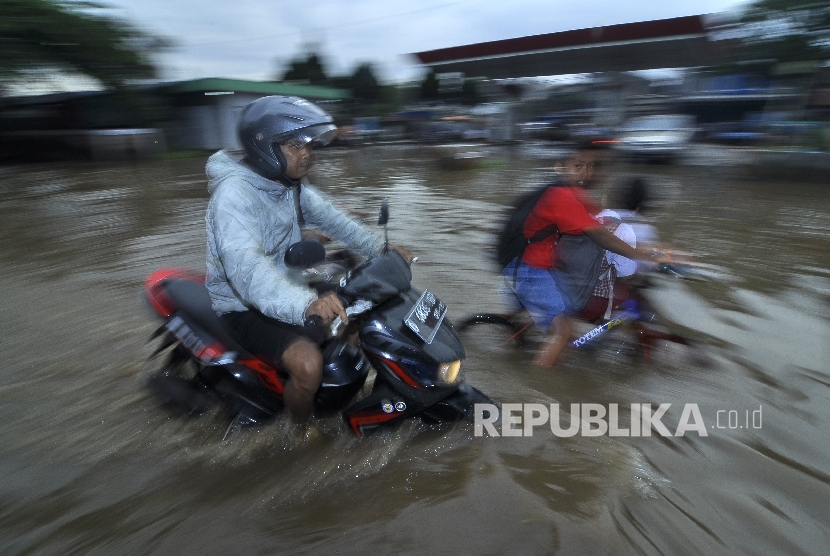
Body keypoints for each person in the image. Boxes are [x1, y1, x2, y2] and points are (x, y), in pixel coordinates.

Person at [204, 95, 396, 426]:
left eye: (307, 144)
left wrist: (381, 249)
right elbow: (247, 272)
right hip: (241, 303)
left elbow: (333, 219)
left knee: (359, 317)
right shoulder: (234, 197)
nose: (306, 153)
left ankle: (351, 389)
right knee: (308, 366)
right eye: (294, 144)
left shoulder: (288, 185)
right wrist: (306, 304)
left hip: (288, 284)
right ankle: (299, 430)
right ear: (265, 146)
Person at [501, 142, 660, 367]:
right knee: (562, 333)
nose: (586, 172)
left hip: (537, 265)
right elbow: (601, 236)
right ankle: (536, 388)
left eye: (591, 167)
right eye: (578, 166)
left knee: (569, 313)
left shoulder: (574, 196)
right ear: (560, 167)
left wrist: (657, 251)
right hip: (531, 269)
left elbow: (601, 220)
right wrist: (640, 255)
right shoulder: (563, 197)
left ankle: (509, 321)